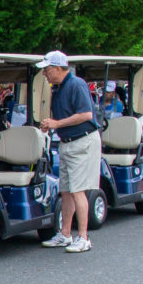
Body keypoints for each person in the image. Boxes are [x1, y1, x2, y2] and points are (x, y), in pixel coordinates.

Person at [36, 50, 100, 254]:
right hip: (67, 141)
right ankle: (65, 234)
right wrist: (52, 125)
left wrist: (56, 123)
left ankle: (83, 237)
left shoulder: (76, 84)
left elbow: (86, 114)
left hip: (82, 141)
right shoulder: (59, 88)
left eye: (46, 69)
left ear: (57, 68)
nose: (44, 73)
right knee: (66, 190)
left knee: (77, 189)